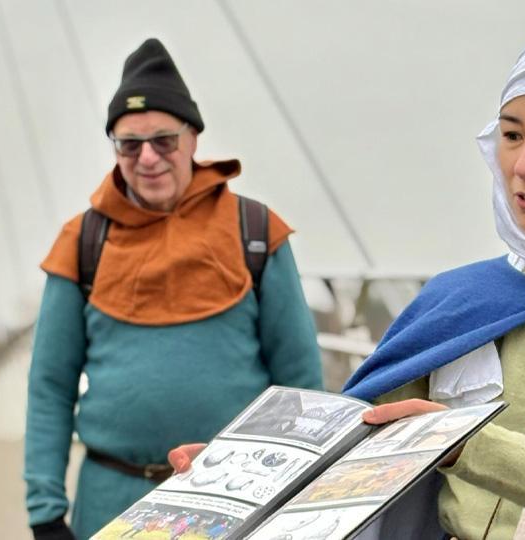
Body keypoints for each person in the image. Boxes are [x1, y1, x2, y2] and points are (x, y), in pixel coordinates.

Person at [169, 33, 525, 538]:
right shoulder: (458, 300)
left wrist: (461, 442)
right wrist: (237, 479)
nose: (523, 165)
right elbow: (351, 448)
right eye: (510, 135)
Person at [24, 38, 323, 540]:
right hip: (110, 501)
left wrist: (303, 493)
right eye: (129, 144)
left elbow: (299, 380)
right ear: (115, 149)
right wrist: (45, 510)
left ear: (192, 139)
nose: (148, 158)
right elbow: (51, 386)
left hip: (237, 499)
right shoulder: (82, 242)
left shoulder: (255, 229)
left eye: (163, 140)